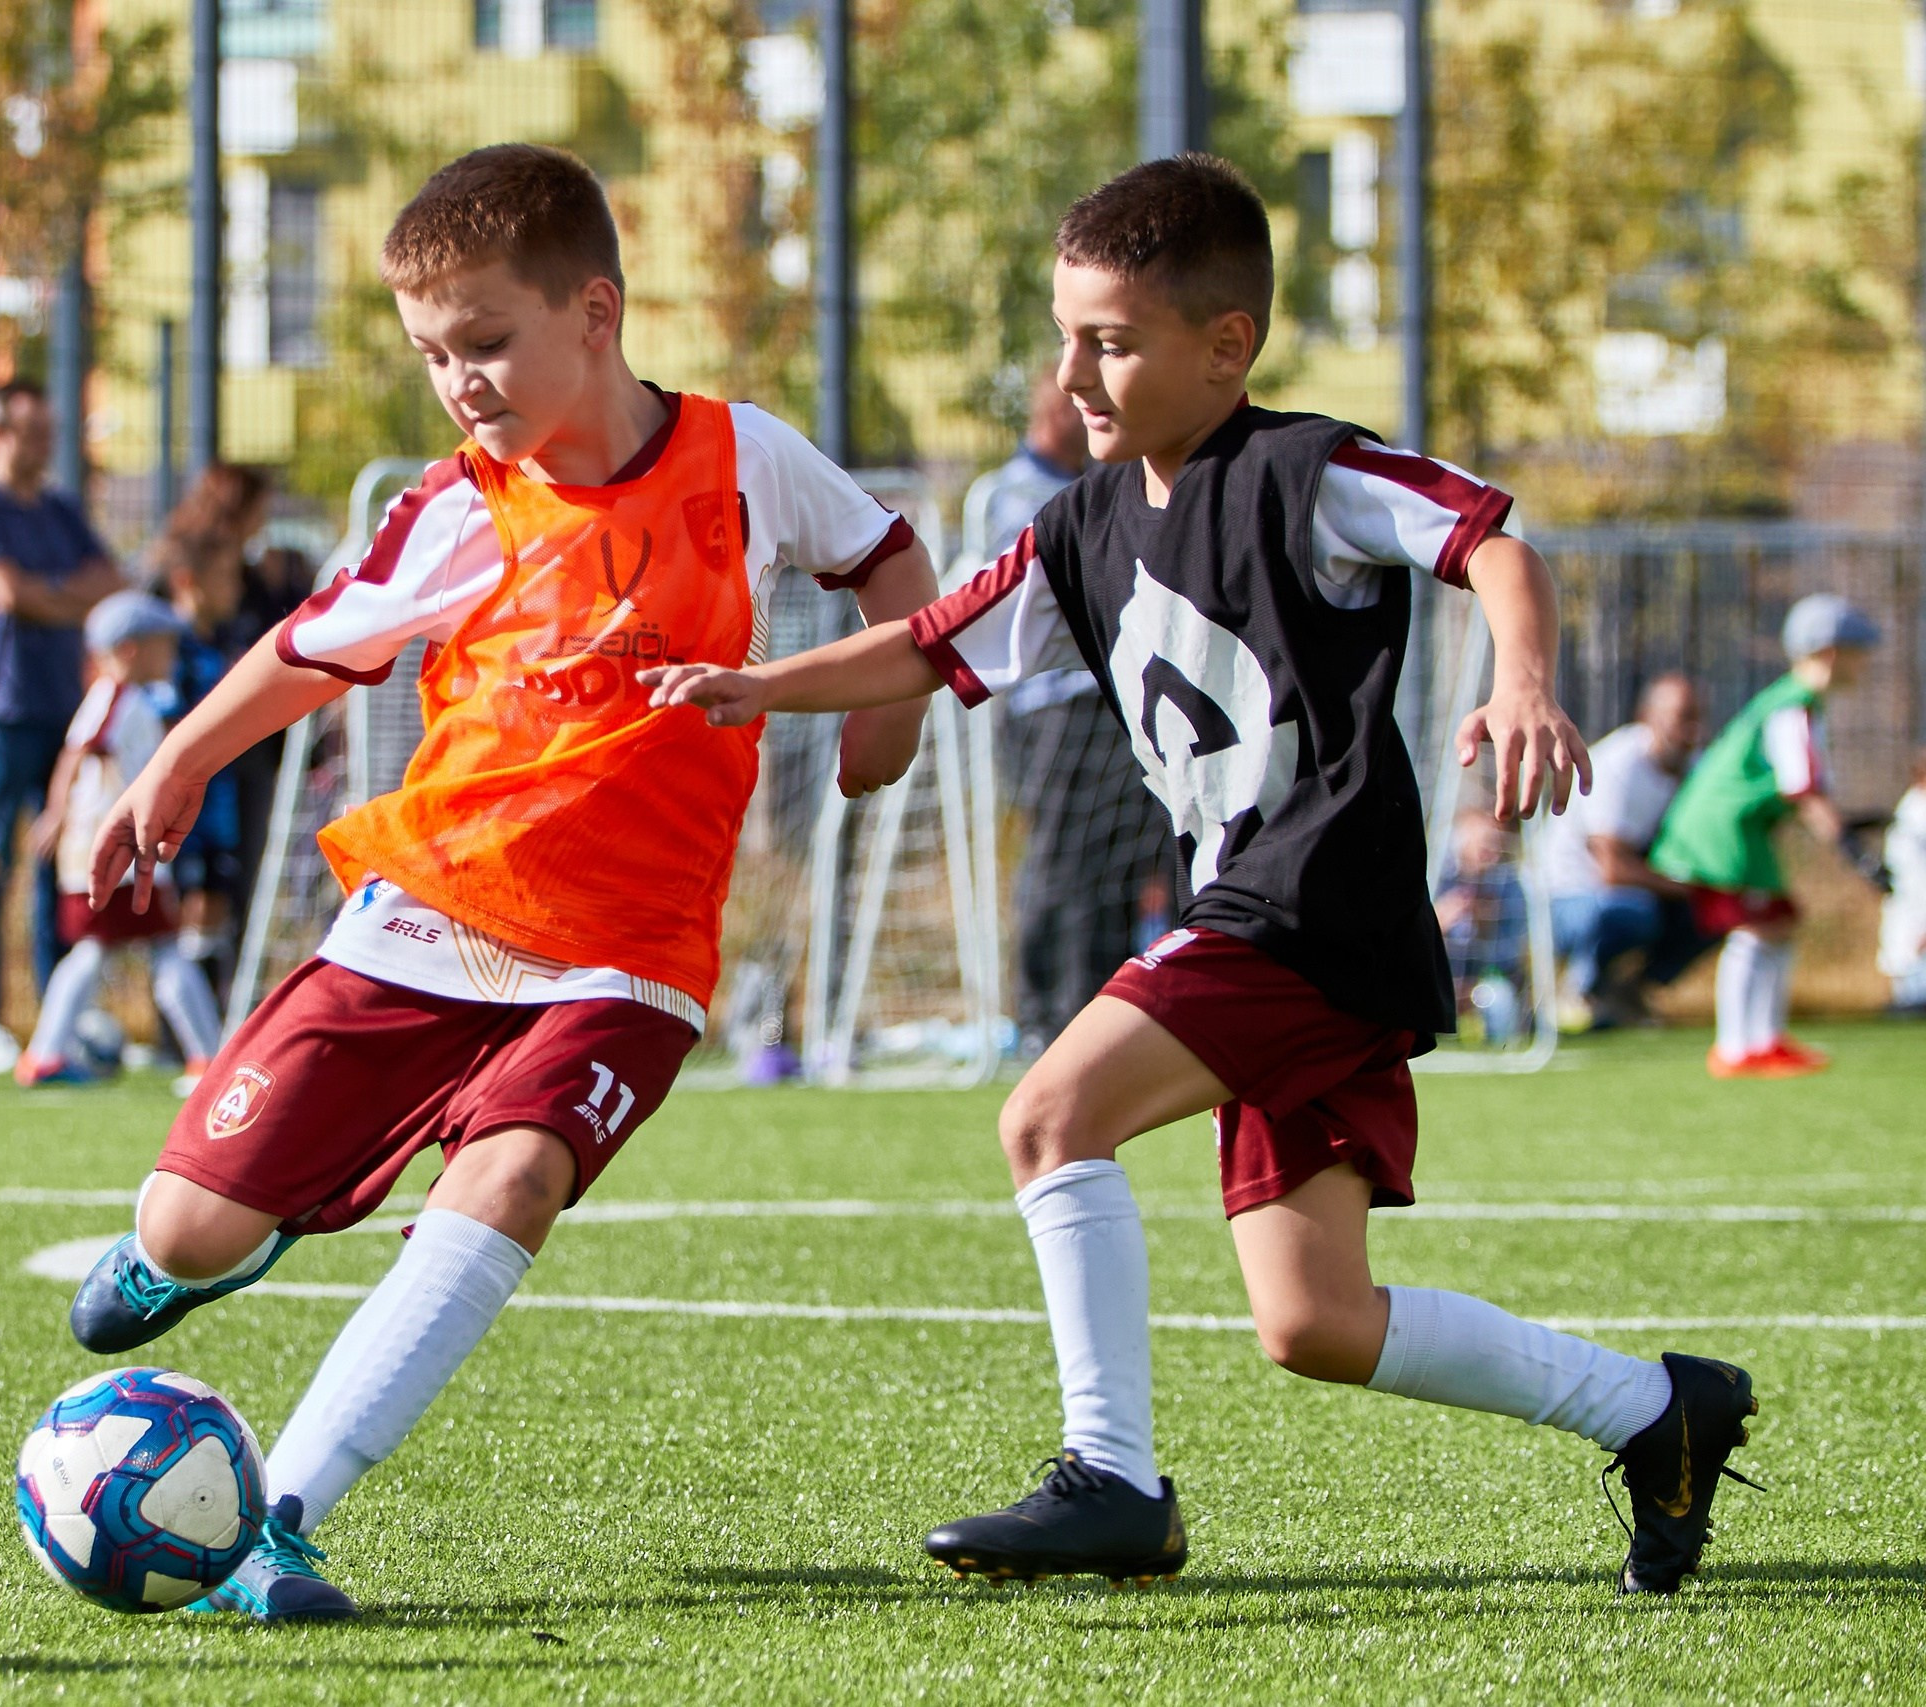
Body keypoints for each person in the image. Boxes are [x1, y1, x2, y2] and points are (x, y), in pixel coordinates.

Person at [647, 155, 1759, 1598]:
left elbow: (1494, 540)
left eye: (1111, 340)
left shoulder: (1308, 473)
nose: (1075, 375)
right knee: (1317, 1321)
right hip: (1269, 930)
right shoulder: (1079, 525)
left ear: (1227, 345)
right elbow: (932, 641)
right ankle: (1657, 1411)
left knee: (1051, 1114)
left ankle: (1113, 1477)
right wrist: (757, 684)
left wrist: (1525, 681)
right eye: (1065, 337)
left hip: (1303, 911)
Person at [65, 143, 938, 1621]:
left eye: (485, 343)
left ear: (594, 312)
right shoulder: (459, 503)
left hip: (631, 952)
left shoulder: (746, 458)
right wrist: (184, 762)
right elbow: (311, 645)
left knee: (514, 1174)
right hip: (428, 916)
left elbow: (898, 564)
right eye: (432, 354)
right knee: (184, 1226)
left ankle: (277, 1519)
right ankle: (206, 1243)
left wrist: (880, 716)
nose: (460, 380)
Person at [0, 377, 126, 1068]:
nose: (46, 445)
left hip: (63, 712)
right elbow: (3, 591)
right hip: (0, 714)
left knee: (61, 867)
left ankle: (57, 1018)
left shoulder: (59, 510)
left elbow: (112, 580)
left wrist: (47, 594)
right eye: (33, 432)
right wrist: (57, 595)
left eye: (51, 432)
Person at [983, 367, 1170, 1046]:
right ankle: (1047, 1014)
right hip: (1057, 709)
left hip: (1118, 704)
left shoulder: (1103, 488)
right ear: (1057, 412)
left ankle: (1107, 1010)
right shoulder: (1014, 496)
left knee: (1121, 863)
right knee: (1063, 859)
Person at [1650, 594, 1885, 1078]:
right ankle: (1737, 1048)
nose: (1866, 664)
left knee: (1776, 925)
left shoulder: (1800, 702)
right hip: (1725, 832)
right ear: (1831, 651)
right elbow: (1803, 788)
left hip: (1744, 831)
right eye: (1859, 651)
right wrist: (1857, 857)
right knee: (1755, 929)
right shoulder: (1793, 705)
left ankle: (1764, 1040)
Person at [17, 592, 225, 1087]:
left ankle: (47, 1053)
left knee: (113, 951)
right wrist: (56, 814)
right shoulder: (114, 698)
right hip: (120, 856)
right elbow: (75, 757)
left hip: (121, 852)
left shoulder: (133, 700)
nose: (172, 654)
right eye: (163, 644)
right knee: (150, 950)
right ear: (130, 650)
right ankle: (208, 1058)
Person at [151, 463, 277, 1000]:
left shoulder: (247, 596)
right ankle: (181, 1024)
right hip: (194, 784)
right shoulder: (171, 627)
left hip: (241, 769)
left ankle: (218, 1012)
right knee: (188, 896)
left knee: (229, 890)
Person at [1542, 673, 1706, 1029]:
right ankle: (1579, 991)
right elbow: (1613, 871)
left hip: (1636, 892)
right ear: (1648, 715)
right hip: (1568, 896)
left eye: (1698, 717)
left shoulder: (1695, 767)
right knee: (1633, 910)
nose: (1692, 729)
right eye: (1683, 717)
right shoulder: (1618, 764)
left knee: (1717, 910)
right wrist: (1687, 887)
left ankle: (1630, 991)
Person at [1436, 811, 1528, 1044]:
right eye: (1485, 844)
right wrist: (1438, 923)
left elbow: (1511, 957)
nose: (1492, 853)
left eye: (1497, 843)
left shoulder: (1509, 887)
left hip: (1484, 984)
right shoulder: (1437, 879)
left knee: (1499, 1000)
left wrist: (1484, 928)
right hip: (1439, 983)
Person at [1880, 749, 1926, 1013]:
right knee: (1910, 942)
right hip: (1913, 890)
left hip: (1912, 890)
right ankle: (1910, 998)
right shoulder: (1915, 811)